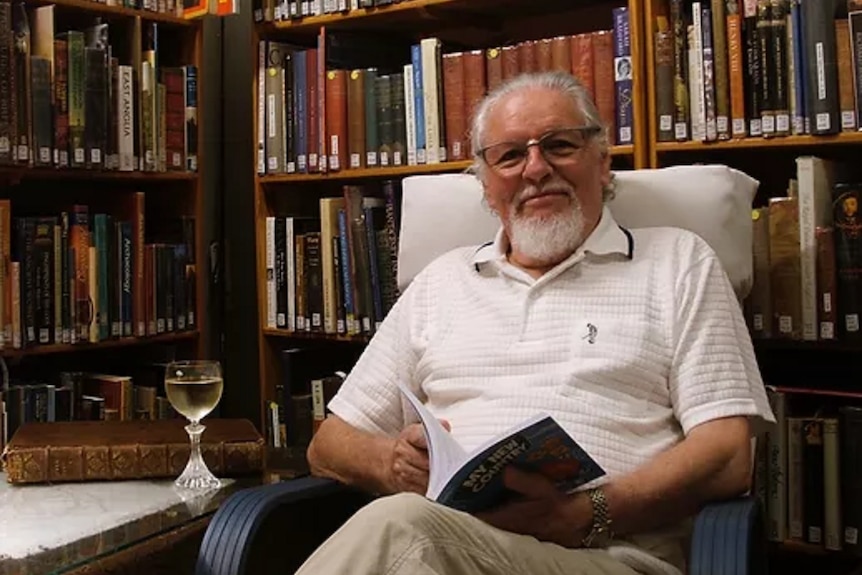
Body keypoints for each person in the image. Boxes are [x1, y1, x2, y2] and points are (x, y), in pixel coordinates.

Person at [296, 71, 775, 575]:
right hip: (448, 542)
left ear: (602, 162)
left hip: (605, 555)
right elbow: (329, 445)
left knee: (400, 532)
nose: (536, 168)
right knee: (407, 531)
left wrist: (588, 513)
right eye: (509, 156)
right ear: (485, 185)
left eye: (559, 145)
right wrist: (390, 461)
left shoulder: (678, 262)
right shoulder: (441, 281)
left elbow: (726, 454)